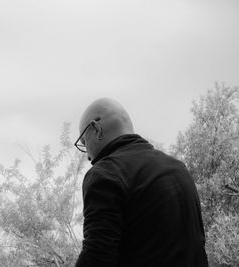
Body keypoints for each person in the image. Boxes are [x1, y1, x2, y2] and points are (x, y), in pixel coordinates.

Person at [74, 98, 208, 267]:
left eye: (85, 143)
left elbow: (97, 256)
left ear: (96, 128)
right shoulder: (179, 168)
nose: (87, 156)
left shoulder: (105, 173)